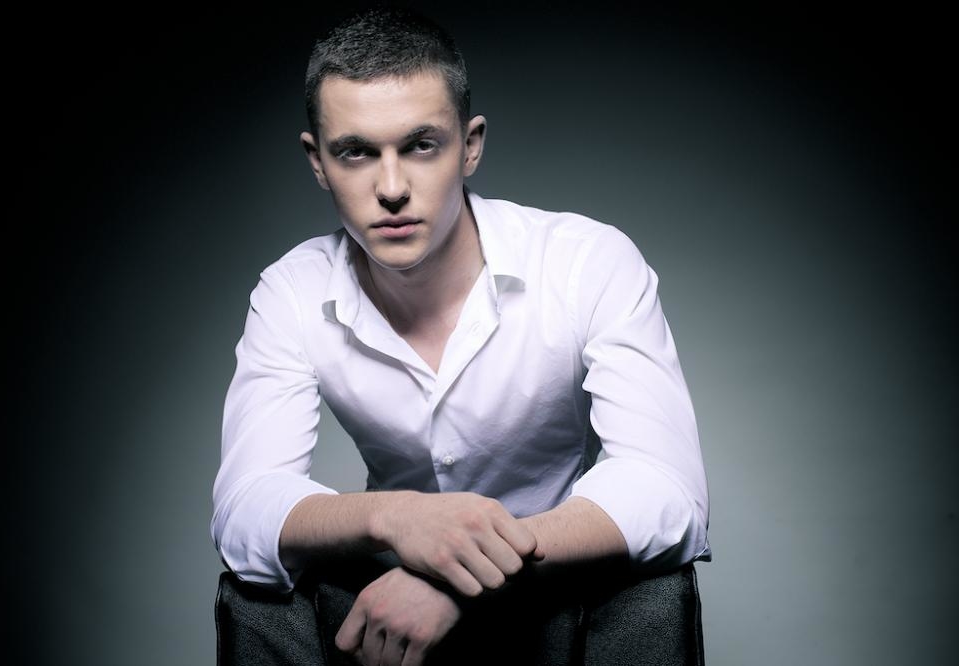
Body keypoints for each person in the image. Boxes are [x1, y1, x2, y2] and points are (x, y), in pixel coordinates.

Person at [211, 7, 711, 665]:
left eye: (422, 145)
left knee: (655, 586)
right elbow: (244, 508)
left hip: (553, 587)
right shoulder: (291, 291)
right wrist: (395, 519)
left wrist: (459, 575)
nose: (392, 188)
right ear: (318, 161)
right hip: (387, 598)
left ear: (470, 146)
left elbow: (667, 490)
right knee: (257, 589)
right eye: (356, 152)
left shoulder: (585, 261)